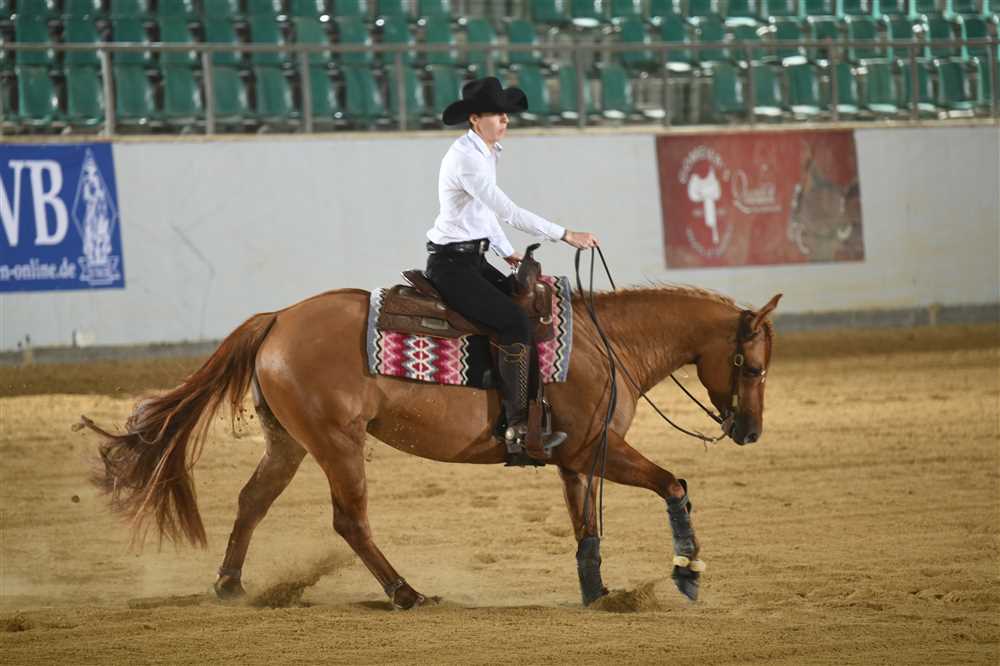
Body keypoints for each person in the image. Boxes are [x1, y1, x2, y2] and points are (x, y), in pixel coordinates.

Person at [425, 76, 599, 455]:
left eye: (506, 114)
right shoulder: (467, 158)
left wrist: (504, 250)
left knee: (525, 306)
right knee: (515, 322)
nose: (505, 120)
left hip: (470, 258)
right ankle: (520, 425)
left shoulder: (484, 152)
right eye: (496, 114)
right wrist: (566, 234)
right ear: (475, 119)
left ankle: (524, 403)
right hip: (452, 265)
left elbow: (483, 212)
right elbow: (508, 211)